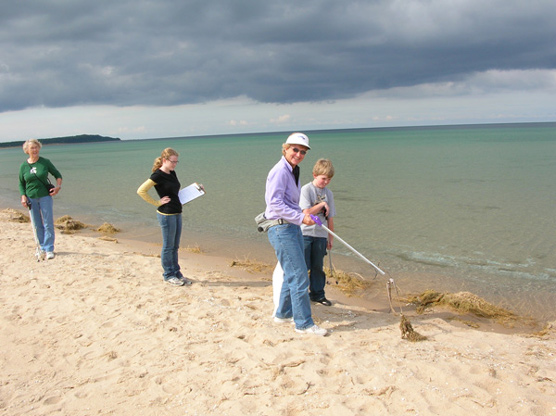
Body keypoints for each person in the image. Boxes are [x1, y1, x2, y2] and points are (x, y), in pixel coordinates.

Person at [265, 132, 327, 336]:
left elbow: (289, 202)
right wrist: (301, 217)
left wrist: (303, 213)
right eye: (295, 149)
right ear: (285, 149)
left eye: (303, 151)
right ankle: (304, 323)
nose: (299, 154)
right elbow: (274, 203)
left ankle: (283, 314)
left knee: (292, 272)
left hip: (291, 226)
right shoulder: (280, 171)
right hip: (281, 227)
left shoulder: (293, 170)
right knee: (299, 275)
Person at [137, 148, 191, 287]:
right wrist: (157, 202)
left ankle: (177, 273)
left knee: (175, 246)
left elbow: (175, 192)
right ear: (165, 160)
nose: (175, 164)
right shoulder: (157, 175)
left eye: (176, 162)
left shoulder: (172, 173)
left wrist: (195, 190)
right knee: (168, 246)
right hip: (166, 215)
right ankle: (168, 275)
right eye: (173, 161)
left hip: (177, 212)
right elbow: (141, 191)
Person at [18, 139, 63, 260]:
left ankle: (49, 249)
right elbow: (21, 184)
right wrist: (23, 196)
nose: (35, 150)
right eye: (32, 148)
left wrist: (58, 187)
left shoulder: (45, 162)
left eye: (36, 147)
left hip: (45, 197)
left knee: (48, 223)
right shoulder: (23, 166)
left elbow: (58, 175)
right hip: (31, 198)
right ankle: (41, 247)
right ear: (27, 150)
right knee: (37, 224)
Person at [300, 159, 336, 306]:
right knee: (304, 265)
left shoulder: (329, 194)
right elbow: (306, 212)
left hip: (321, 234)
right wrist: (321, 204)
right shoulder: (306, 190)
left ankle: (318, 294)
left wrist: (330, 238)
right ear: (315, 175)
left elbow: (330, 218)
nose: (326, 182)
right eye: (323, 178)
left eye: (329, 179)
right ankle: (300, 294)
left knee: (317, 267)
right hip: (305, 233)